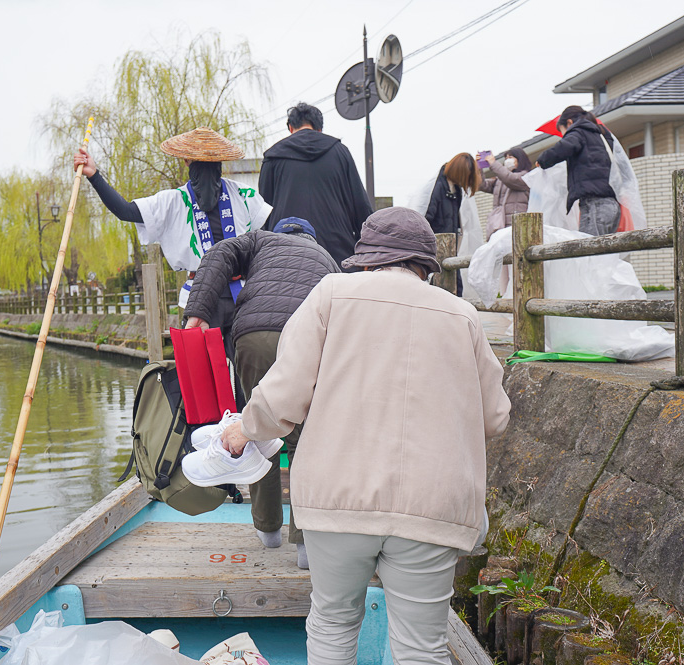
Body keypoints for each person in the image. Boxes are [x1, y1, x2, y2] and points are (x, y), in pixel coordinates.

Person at [221, 207, 512, 665]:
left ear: (367, 259)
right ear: (425, 266)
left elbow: (283, 398)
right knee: (422, 647)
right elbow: (495, 417)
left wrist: (244, 430)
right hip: (433, 507)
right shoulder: (463, 315)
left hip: (338, 499)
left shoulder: (332, 294)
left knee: (333, 625)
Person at [183, 218, 339, 567]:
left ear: (279, 233)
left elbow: (219, 252)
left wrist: (198, 310)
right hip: (305, 341)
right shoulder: (327, 260)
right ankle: (306, 547)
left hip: (254, 335)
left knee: (257, 427)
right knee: (304, 440)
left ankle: (268, 530)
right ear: (310, 238)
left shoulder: (259, 241)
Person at [75, 127, 272, 356]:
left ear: (187, 161)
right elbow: (267, 237)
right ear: (220, 161)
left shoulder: (177, 200)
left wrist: (94, 175)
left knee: (207, 373)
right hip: (235, 296)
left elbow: (125, 211)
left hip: (213, 297)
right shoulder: (243, 194)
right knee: (245, 370)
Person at [258, 102, 373, 266]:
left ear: (290, 128)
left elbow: (263, 211)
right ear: (319, 129)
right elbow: (360, 205)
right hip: (338, 255)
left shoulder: (273, 156)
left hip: (285, 254)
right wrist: (368, 250)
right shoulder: (340, 152)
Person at [537, 106, 621, 236]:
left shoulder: (579, 132)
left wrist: (542, 160)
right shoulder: (603, 135)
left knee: (589, 251)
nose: (564, 135)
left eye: (563, 131)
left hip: (594, 205)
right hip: (612, 204)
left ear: (569, 122)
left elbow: (563, 147)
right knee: (604, 253)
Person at [480, 147, 533, 294]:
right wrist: (479, 167)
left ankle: (519, 298)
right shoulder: (499, 180)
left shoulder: (526, 177)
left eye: (511, 156)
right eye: (507, 157)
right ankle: (506, 301)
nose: (508, 159)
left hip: (517, 228)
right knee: (503, 268)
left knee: (517, 267)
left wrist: (493, 163)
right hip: (501, 228)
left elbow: (511, 179)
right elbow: (481, 185)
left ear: (520, 159)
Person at [418, 153, 482, 235]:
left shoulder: (457, 191)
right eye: (465, 177)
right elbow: (426, 219)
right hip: (435, 243)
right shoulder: (437, 188)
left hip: (448, 244)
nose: (465, 181)